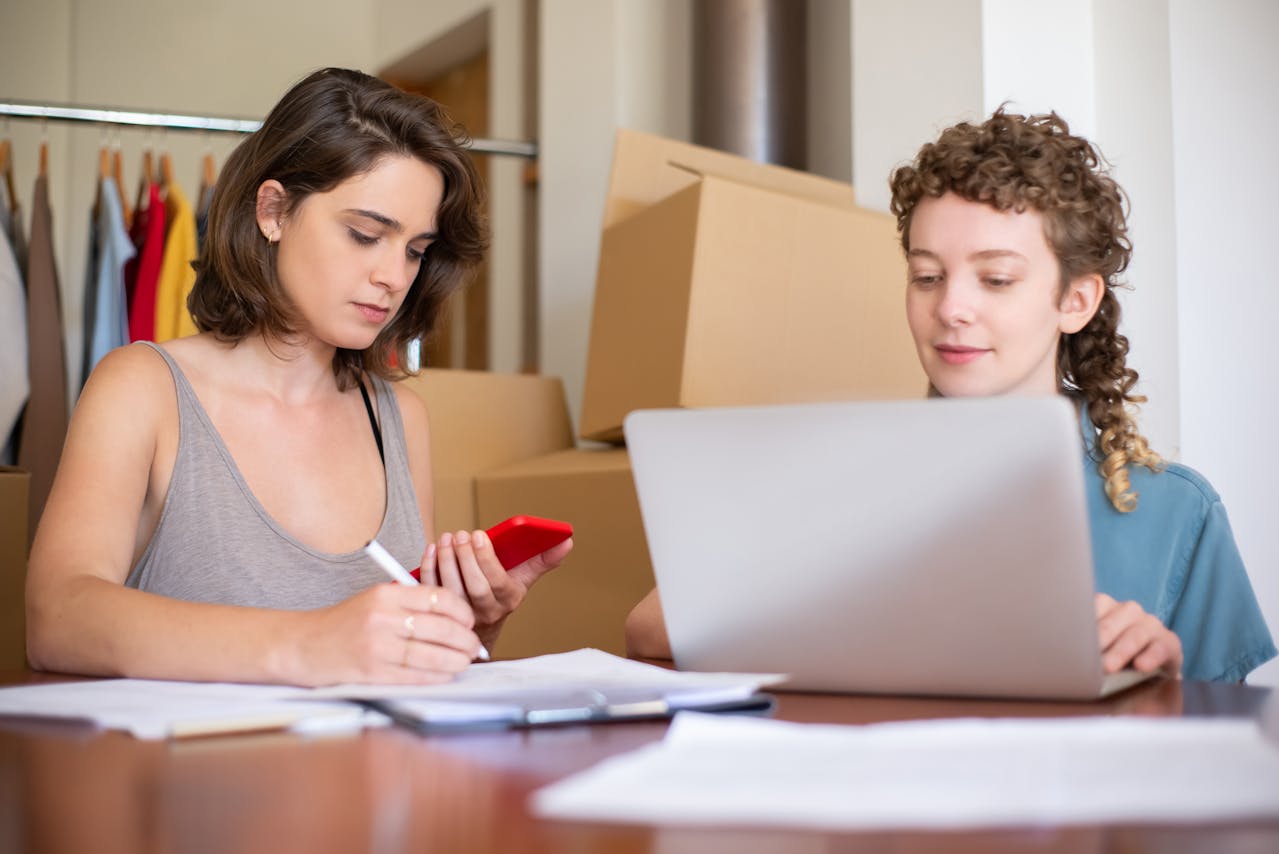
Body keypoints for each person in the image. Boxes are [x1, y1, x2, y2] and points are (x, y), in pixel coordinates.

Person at [625, 109, 1275, 683]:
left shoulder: (1174, 512)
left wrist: (1165, 681)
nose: (951, 308)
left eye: (994, 279)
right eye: (926, 276)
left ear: (1075, 300)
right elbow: (647, 630)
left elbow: (1225, 736)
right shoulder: (833, 474)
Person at [25, 68, 571, 687]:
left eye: (416, 250)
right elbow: (56, 618)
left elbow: (391, 658)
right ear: (273, 210)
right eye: (365, 235)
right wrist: (312, 645)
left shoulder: (399, 419)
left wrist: (467, 627)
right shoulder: (142, 389)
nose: (394, 276)